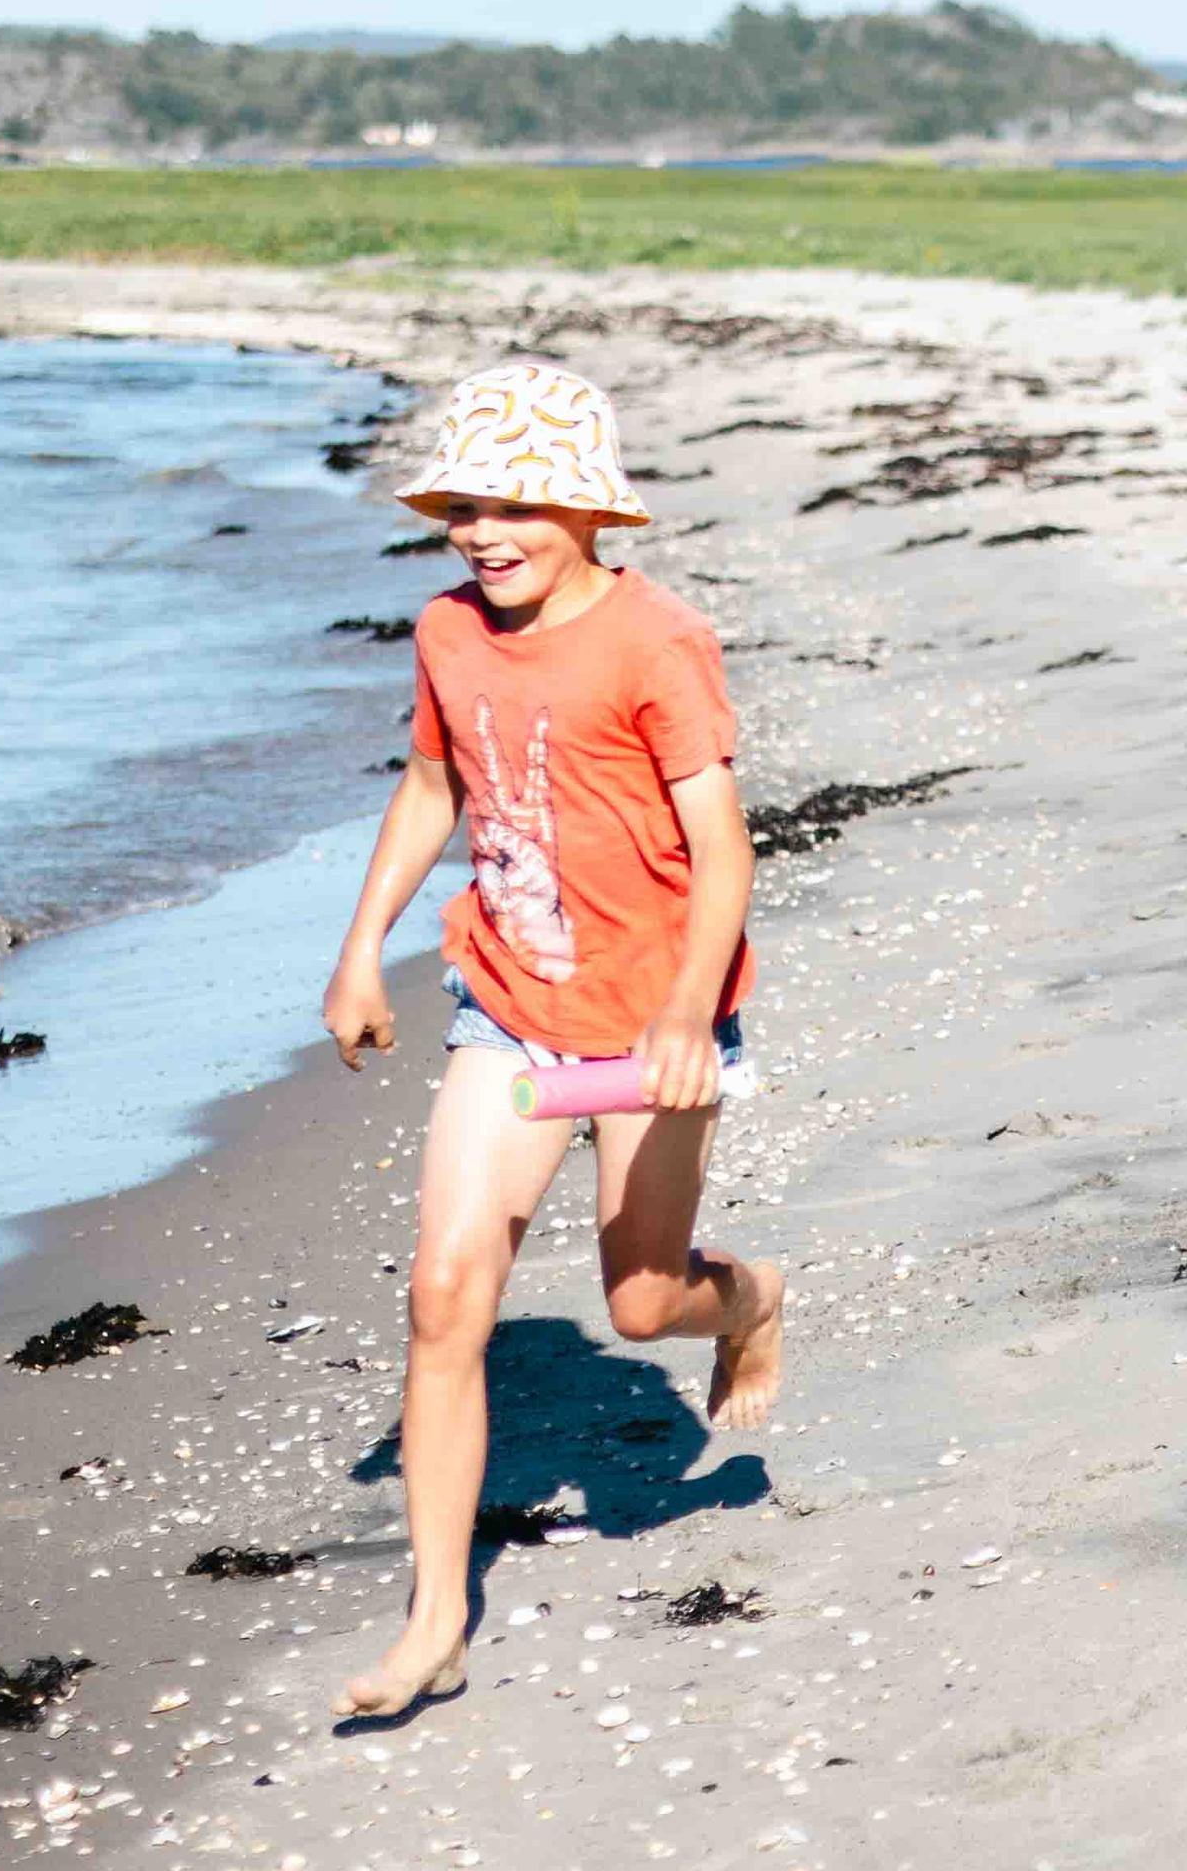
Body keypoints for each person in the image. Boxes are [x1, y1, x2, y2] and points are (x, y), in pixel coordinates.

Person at [317, 361, 784, 1723]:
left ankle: (750, 1301)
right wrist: (359, 951)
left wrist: (692, 1011)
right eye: (466, 501)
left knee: (641, 1301)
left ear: (587, 509)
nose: (483, 528)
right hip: (506, 1002)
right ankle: (435, 1619)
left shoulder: (655, 643)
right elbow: (429, 784)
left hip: (654, 1013)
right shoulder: (448, 633)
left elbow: (725, 850)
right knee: (445, 1295)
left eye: (518, 501)